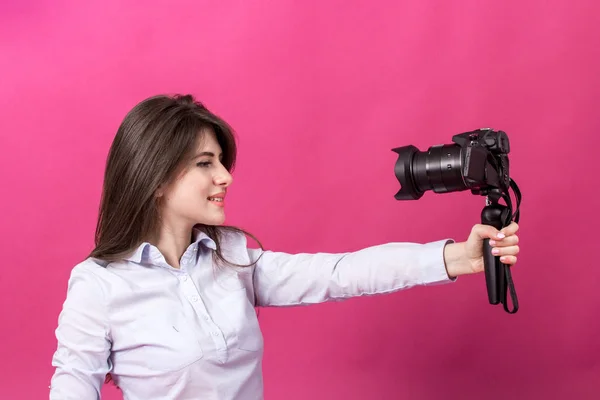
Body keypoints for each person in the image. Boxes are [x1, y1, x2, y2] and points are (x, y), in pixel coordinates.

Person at [49, 94, 520, 400]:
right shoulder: (99, 286)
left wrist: (456, 257)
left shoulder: (230, 256)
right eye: (205, 163)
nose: (225, 177)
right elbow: (72, 387)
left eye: (223, 162)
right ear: (155, 178)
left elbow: (338, 274)